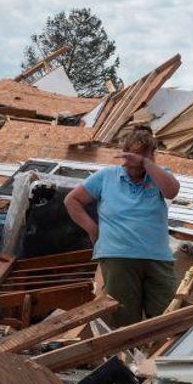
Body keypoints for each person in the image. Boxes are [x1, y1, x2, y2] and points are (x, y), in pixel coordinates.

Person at [64, 126, 180, 327]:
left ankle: (156, 355)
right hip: (118, 256)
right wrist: (93, 230)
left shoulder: (158, 175)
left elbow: (171, 191)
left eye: (142, 156)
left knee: (166, 319)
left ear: (152, 156)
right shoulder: (107, 176)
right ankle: (124, 358)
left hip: (157, 257)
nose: (134, 162)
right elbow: (72, 200)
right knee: (122, 319)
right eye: (131, 155)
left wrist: (146, 163)